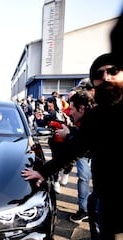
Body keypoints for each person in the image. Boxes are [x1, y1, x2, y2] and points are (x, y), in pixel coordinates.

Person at [21, 53, 123, 239]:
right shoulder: (96, 116)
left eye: (113, 71)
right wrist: (43, 172)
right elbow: (74, 150)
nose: (106, 77)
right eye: (99, 75)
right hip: (105, 196)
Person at [55, 90, 95, 225]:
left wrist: (69, 135)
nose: (70, 111)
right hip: (82, 150)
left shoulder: (97, 116)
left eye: (72, 107)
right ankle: (83, 209)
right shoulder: (68, 112)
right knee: (84, 177)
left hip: (83, 148)